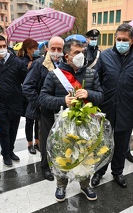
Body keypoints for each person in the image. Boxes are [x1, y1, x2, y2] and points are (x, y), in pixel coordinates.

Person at [39, 39, 103, 202]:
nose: (81, 55)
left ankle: (85, 185)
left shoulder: (91, 73)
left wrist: (89, 94)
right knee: (63, 155)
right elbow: (44, 98)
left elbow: (101, 96)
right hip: (63, 125)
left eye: (82, 52)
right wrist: (62, 101)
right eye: (76, 52)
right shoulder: (54, 75)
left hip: (85, 124)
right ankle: (61, 185)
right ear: (67, 56)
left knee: (85, 155)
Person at [91, 23, 133, 188]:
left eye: (125, 39)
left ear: (132, 41)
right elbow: (96, 81)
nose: (121, 42)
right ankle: (99, 172)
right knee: (102, 144)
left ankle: (117, 172)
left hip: (128, 109)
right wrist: (92, 105)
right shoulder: (105, 56)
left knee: (121, 144)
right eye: (119, 39)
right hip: (106, 108)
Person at [22, 36, 64, 181]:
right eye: (53, 49)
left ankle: (59, 163)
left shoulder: (65, 64)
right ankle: (45, 167)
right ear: (47, 48)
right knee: (45, 139)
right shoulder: (39, 64)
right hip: (45, 109)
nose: (56, 52)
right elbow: (28, 87)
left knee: (61, 138)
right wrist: (39, 103)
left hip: (63, 108)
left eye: (59, 49)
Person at [0, 35, 25, 166]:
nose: (2, 49)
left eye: (4, 46)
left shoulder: (17, 62)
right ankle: (5, 154)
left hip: (15, 101)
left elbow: (24, 79)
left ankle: (11, 150)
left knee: (13, 129)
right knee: (4, 129)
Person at [17, 38, 40, 155]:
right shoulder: (22, 61)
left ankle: (37, 142)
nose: (36, 50)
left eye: (37, 48)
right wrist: (27, 70)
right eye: (34, 48)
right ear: (28, 49)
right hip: (27, 97)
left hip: (37, 94)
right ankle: (30, 143)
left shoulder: (38, 60)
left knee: (38, 120)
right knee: (29, 120)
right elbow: (22, 80)